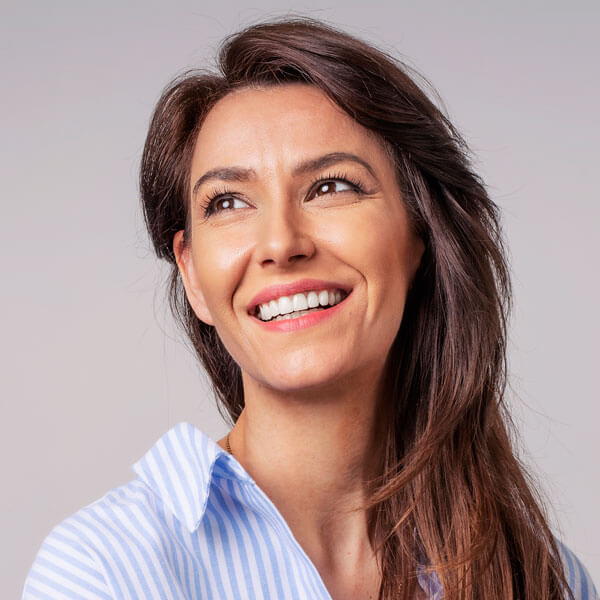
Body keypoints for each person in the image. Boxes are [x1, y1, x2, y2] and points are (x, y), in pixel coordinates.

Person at [22, 17, 598, 600]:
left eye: (331, 187)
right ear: (192, 275)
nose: (280, 243)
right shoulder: (103, 571)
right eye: (227, 201)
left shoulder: (541, 575)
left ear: (418, 237)